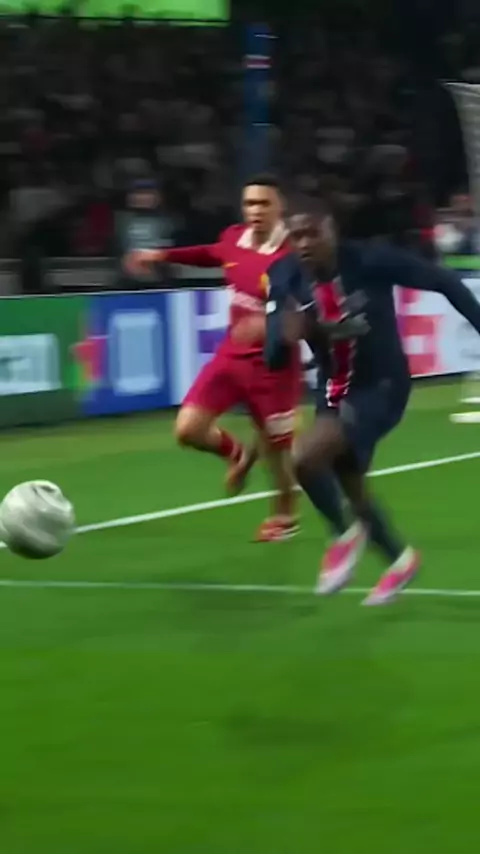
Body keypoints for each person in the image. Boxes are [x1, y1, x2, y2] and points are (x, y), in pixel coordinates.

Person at [261, 201, 480, 604]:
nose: (305, 243)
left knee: (306, 458)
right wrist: (286, 335)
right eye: (297, 235)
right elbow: (274, 353)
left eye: (313, 233)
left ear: (332, 230)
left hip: (383, 385)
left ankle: (342, 536)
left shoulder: (370, 260)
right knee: (350, 482)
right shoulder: (283, 275)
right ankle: (400, 560)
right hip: (333, 388)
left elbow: (444, 281)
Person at [125, 175, 304, 542]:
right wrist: (158, 255)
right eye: (250, 203)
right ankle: (236, 453)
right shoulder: (233, 238)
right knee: (188, 429)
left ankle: (285, 516)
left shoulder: (294, 255)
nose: (255, 210)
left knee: (278, 452)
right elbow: (209, 253)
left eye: (264, 203)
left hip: (274, 366)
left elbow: (310, 311)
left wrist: (271, 324)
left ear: (280, 207)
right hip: (231, 357)